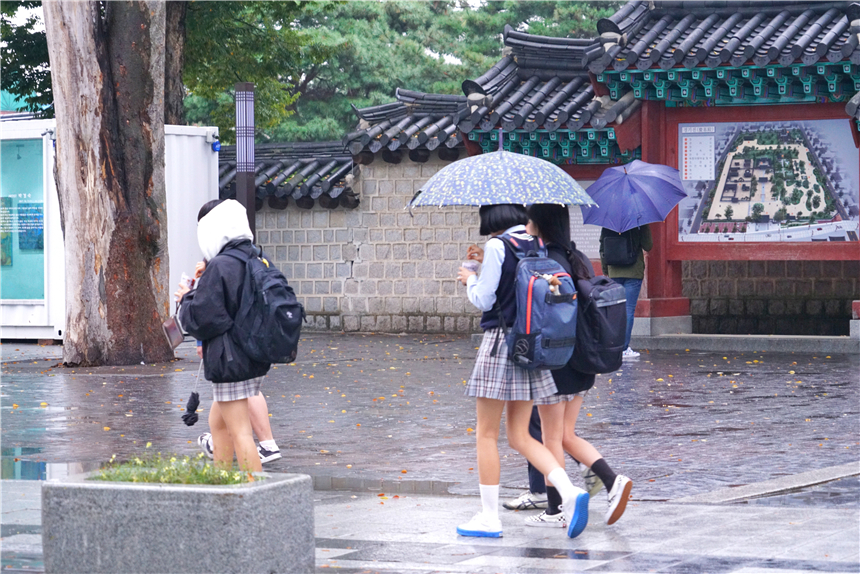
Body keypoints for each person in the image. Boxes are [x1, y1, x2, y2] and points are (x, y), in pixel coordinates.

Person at [456, 204, 590, 539]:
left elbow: (485, 300)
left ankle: (489, 518)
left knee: (486, 434)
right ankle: (569, 492)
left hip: (501, 343)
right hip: (530, 345)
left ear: (490, 219)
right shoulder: (536, 243)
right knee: (520, 435)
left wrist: (471, 277)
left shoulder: (498, 246)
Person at [526, 204, 632, 528]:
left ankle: (557, 509)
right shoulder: (577, 257)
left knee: (550, 439)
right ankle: (612, 482)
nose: (526, 223)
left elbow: (544, 314)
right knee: (565, 435)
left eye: (529, 218)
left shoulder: (547, 264)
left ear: (540, 224)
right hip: (584, 361)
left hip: (558, 361)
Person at [176, 198, 269, 473]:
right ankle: (221, 481)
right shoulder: (253, 257)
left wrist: (186, 298)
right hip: (252, 354)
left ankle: (255, 494)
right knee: (219, 423)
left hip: (231, 359)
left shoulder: (221, 265)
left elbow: (204, 318)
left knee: (240, 431)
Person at [195, 342, 282, 464]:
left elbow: (212, 322)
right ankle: (217, 445)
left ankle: (264, 452)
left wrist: (201, 340)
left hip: (228, 344)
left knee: (241, 433)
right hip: (253, 338)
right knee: (221, 421)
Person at [599, 224, 652, 359]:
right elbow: (648, 245)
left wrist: (606, 270)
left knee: (615, 310)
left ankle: (613, 346)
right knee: (628, 310)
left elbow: (602, 248)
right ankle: (623, 348)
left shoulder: (608, 224)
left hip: (614, 270)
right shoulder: (638, 222)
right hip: (633, 271)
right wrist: (645, 228)